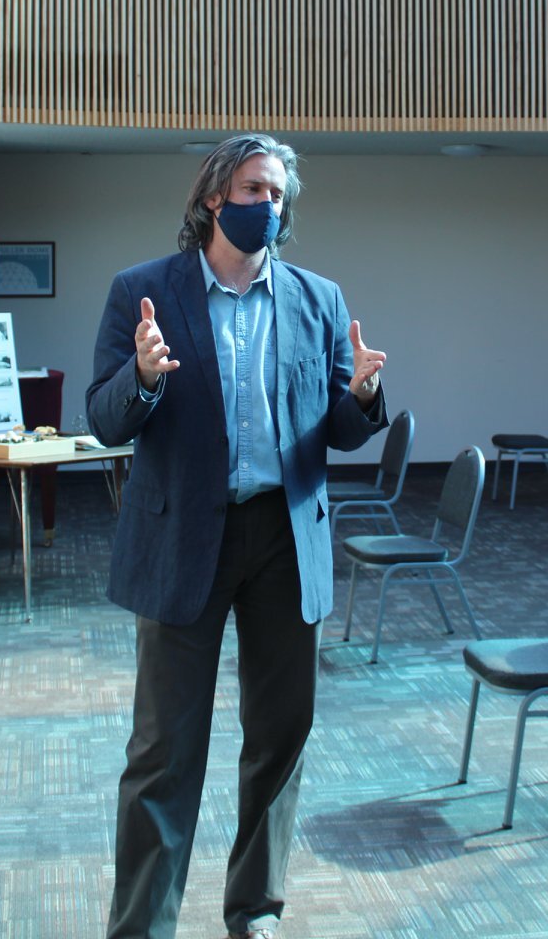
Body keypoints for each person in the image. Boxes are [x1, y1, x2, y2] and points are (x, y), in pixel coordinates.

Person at [88, 134, 389, 939]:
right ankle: (143, 923)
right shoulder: (142, 292)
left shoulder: (317, 299)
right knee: (164, 749)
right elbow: (105, 418)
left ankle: (255, 908)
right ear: (215, 197)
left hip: (285, 540)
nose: (270, 206)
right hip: (184, 536)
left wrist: (361, 395)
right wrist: (144, 376)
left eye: (280, 194)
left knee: (281, 733)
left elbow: (337, 429)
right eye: (256, 189)